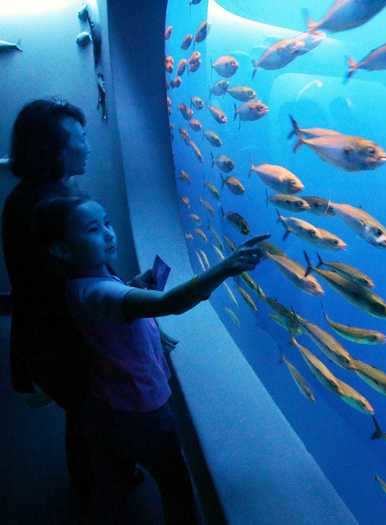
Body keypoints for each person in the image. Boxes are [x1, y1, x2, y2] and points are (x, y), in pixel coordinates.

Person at [33, 195, 266, 525]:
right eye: (92, 229)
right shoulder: (99, 291)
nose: (108, 233)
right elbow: (171, 302)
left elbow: (113, 312)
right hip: (143, 407)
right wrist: (227, 267)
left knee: (116, 466)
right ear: (61, 249)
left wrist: (135, 288)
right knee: (174, 480)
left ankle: (117, 489)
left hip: (110, 402)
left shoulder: (86, 284)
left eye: (107, 222)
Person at [2, 98, 150, 520]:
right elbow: (55, 290)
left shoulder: (37, 197)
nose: (87, 147)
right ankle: (95, 493)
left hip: (53, 337)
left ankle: (99, 482)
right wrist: (128, 309)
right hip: (64, 341)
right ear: (53, 150)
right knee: (87, 414)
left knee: (85, 413)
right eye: (80, 139)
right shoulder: (44, 207)